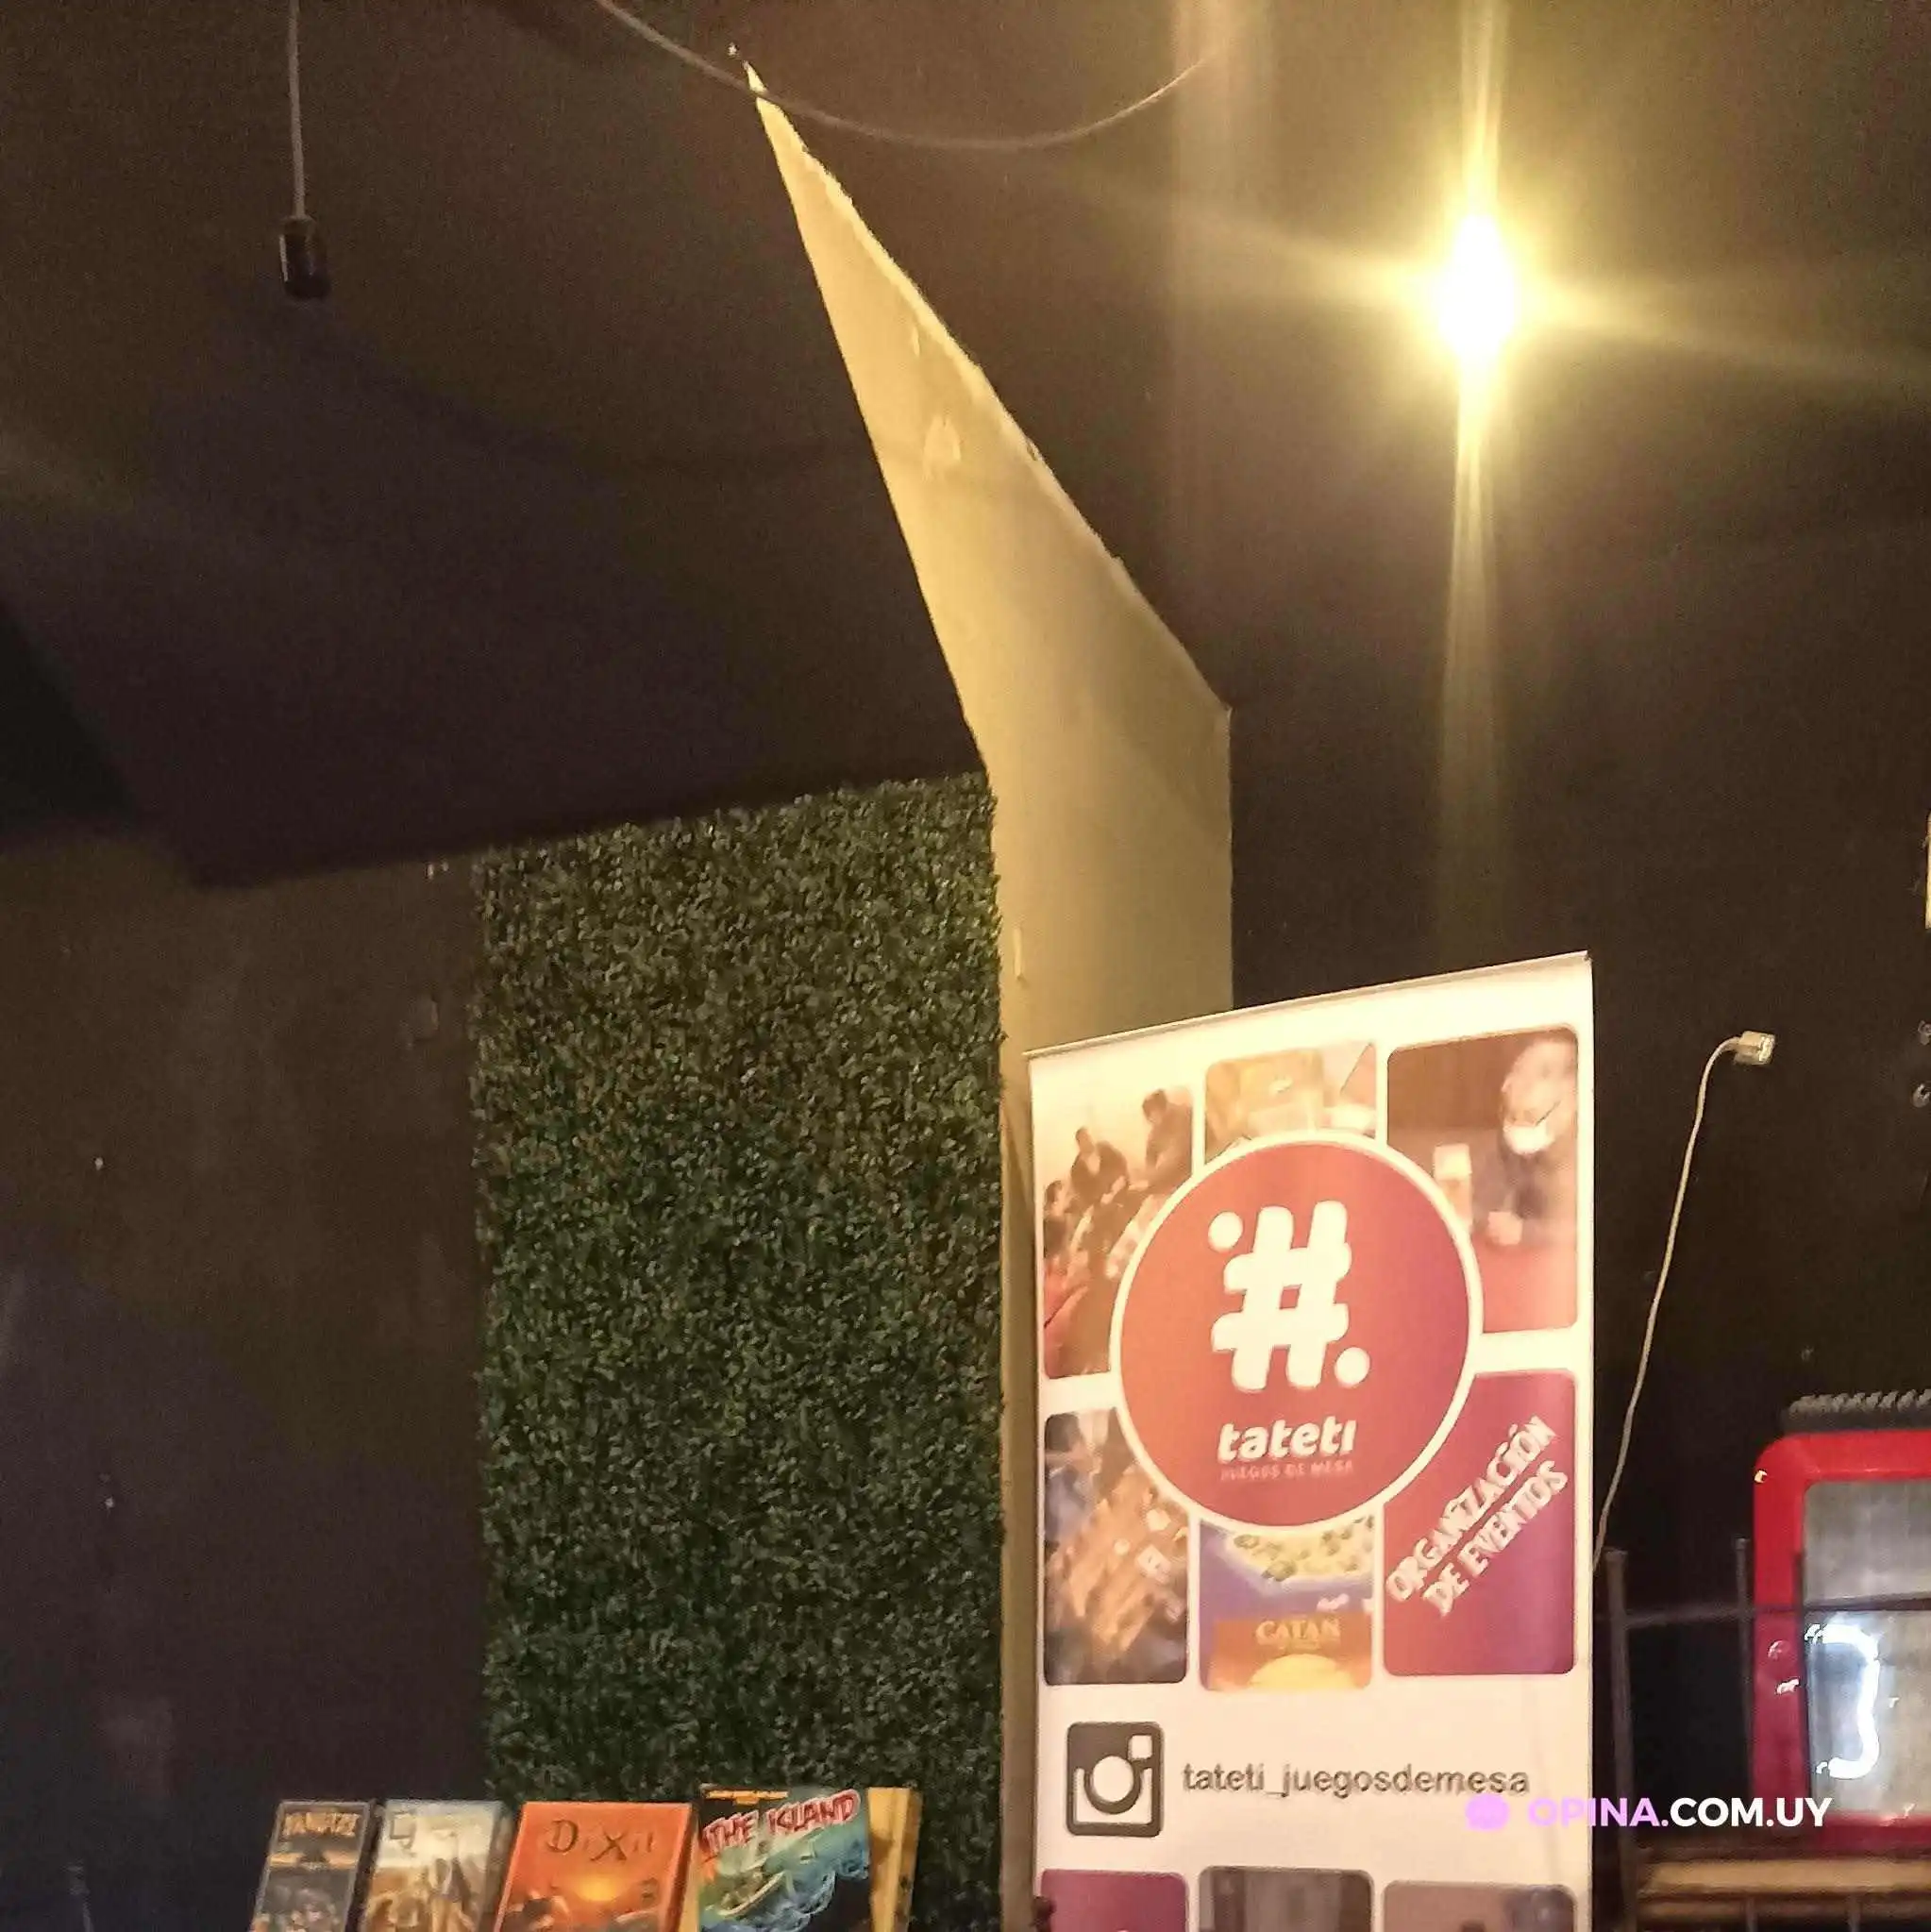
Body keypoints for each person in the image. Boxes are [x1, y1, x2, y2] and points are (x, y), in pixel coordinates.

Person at [1141, 1089, 1193, 1197]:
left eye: (1154, 1114)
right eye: (1150, 1117)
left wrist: (1155, 1177)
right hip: (1180, 1171)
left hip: (1200, 1161)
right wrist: (1149, 1177)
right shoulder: (1157, 1128)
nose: (1152, 1120)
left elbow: (1176, 1156)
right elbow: (1150, 1155)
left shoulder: (1182, 1116)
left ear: (1163, 1108)